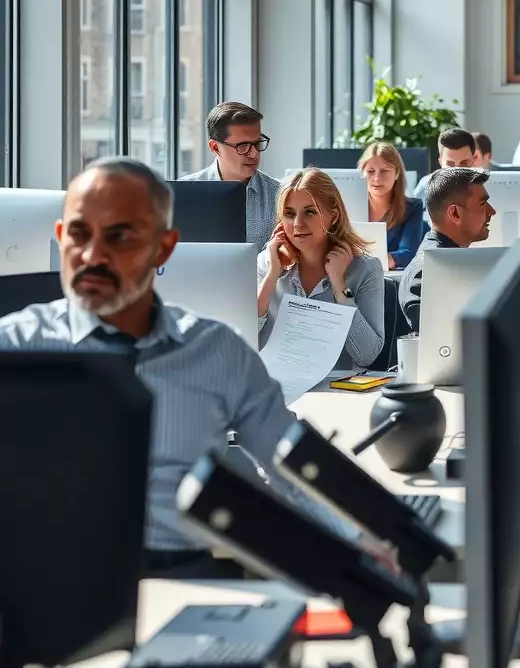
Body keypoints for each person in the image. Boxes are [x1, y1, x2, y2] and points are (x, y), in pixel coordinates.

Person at [0, 158, 334, 573]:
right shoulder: (13, 347)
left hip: (181, 572)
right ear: (59, 236)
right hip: (44, 578)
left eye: (119, 236)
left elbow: (297, 473)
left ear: (163, 248)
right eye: (78, 234)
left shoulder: (216, 350)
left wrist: (370, 543)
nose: (92, 255)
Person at [399, 168, 520, 333]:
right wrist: (515, 310)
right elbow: (441, 339)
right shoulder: (428, 271)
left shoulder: (449, 261)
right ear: (454, 213)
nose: (492, 211)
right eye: (483, 203)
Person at [258, 168, 384, 370]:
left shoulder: (366, 269)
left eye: (310, 212)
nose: (297, 223)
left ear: (333, 217)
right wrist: (272, 275)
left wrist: (339, 287)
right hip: (274, 383)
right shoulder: (267, 262)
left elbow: (367, 355)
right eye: (289, 214)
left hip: (334, 385)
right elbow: (243, 340)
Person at [180, 101, 278, 250]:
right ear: (215, 148)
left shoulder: (279, 195)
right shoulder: (184, 194)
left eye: (258, 143)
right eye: (243, 146)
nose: (254, 153)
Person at [358, 142, 426, 270]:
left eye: (384, 171)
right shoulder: (348, 205)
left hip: (391, 279)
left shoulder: (412, 208)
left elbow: (408, 253)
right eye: (370, 171)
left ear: (397, 173)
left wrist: (369, 262)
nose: (376, 178)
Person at [411, 128, 477, 203]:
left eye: (464, 163)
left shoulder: (486, 187)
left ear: (474, 159)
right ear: (440, 162)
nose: (458, 171)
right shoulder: (425, 188)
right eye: (450, 164)